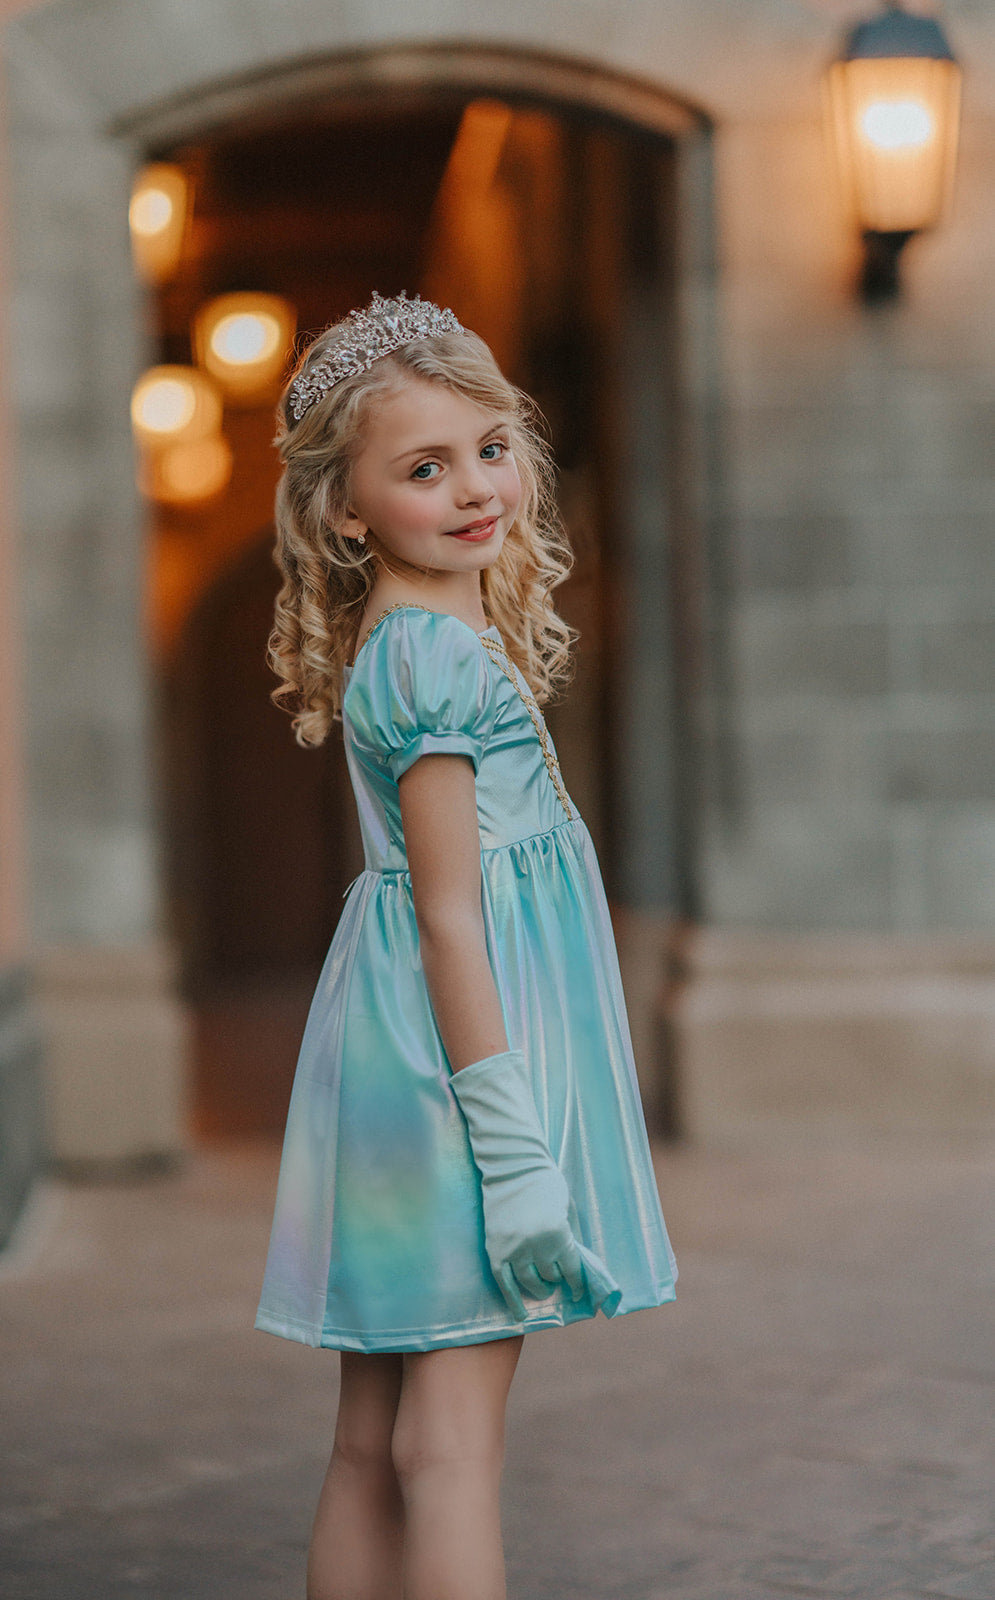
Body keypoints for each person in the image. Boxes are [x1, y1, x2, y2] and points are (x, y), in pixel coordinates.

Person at [256, 291, 677, 1600]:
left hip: (400, 1051)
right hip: (455, 1073)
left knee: (377, 1440)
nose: (474, 488)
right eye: (423, 468)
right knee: (448, 1446)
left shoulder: (426, 632)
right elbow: (447, 907)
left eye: (489, 448)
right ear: (344, 508)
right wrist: (513, 1148)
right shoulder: (433, 658)